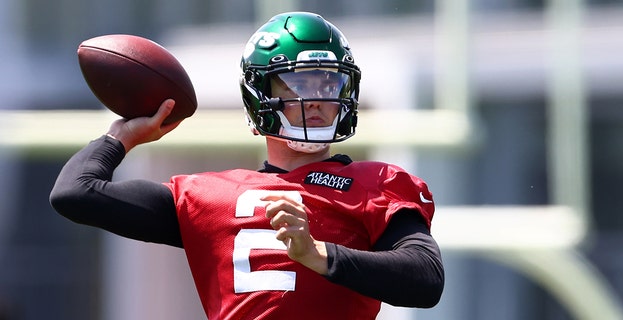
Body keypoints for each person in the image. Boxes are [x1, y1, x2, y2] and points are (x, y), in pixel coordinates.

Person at [50, 11, 444, 320]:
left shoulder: (376, 183)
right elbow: (76, 192)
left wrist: (318, 254)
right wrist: (123, 135)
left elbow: (426, 278)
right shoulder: (206, 197)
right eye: (302, 85)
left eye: (330, 83)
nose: (321, 99)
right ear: (260, 96)